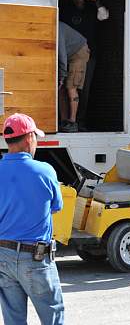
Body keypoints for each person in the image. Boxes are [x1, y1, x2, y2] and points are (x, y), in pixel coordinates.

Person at [0, 113, 64, 325]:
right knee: (52, 317)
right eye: (36, 137)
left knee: (13, 320)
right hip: (35, 258)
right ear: (29, 138)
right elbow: (56, 207)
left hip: (3, 256)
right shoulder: (44, 171)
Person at [60, 0, 109, 130]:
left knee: (83, 89)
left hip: (87, 55)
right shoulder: (66, 12)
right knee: (67, 87)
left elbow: (104, 16)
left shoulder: (91, 10)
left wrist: (95, 1)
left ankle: (79, 122)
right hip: (68, 55)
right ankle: (67, 120)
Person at [57, 21, 90, 133]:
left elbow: (62, 55)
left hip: (79, 53)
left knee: (71, 86)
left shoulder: (57, 29)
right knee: (60, 89)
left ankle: (72, 122)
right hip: (68, 54)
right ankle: (64, 121)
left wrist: (61, 76)